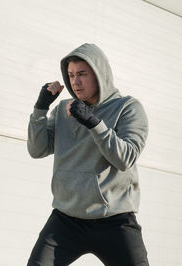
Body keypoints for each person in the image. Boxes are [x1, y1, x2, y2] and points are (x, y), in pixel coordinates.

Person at [27, 43, 149, 266]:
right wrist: (40, 109)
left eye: (82, 74)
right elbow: (37, 150)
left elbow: (126, 158)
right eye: (71, 75)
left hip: (114, 220)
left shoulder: (128, 108)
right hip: (65, 220)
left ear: (100, 74)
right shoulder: (64, 109)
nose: (75, 81)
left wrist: (93, 123)